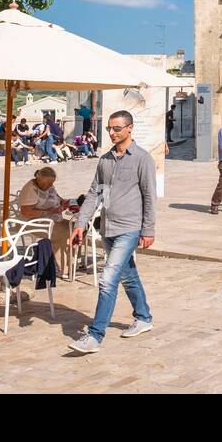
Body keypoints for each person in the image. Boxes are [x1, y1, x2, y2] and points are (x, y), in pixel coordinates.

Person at [68, 111, 157, 354]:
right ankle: (144, 317)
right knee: (128, 276)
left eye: (117, 128)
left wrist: (148, 229)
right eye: (109, 128)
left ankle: (95, 335)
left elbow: (149, 197)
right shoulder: (105, 160)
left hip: (130, 227)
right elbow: (95, 193)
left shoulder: (142, 159)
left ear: (130, 129)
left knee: (108, 279)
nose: (111, 133)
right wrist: (80, 223)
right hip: (108, 227)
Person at [17, 166, 74, 273]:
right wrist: (49, 211)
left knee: (75, 227)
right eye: (48, 183)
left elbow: (57, 198)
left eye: (52, 183)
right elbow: (26, 212)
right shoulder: (31, 189)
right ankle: (65, 268)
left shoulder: (49, 186)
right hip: (33, 223)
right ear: (39, 180)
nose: (50, 185)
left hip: (52, 219)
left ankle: (72, 261)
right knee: (63, 233)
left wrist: (63, 203)